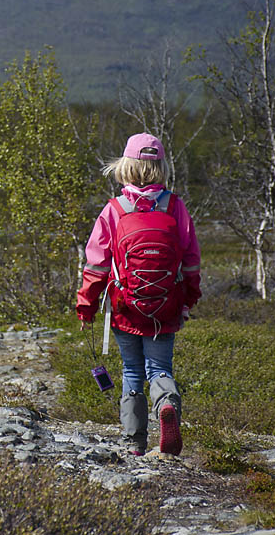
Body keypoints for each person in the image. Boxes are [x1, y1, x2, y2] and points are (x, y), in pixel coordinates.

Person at [76, 133, 201, 456]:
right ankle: (167, 404)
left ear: (125, 166)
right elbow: (191, 262)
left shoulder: (114, 209)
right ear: (160, 167)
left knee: (131, 370)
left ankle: (134, 443)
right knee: (160, 368)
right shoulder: (175, 206)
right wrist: (188, 300)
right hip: (166, 307)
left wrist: (85, 307)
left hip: (125, 307)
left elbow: (97, 266)